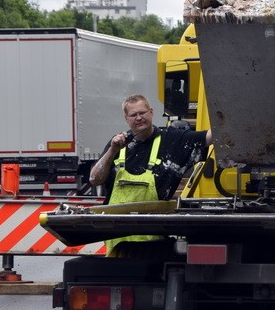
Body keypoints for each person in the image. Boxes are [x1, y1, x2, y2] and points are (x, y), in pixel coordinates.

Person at [88, 94, 213, 256]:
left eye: (143, 113)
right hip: (117, 244)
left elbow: (209, 137)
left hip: (153, 242)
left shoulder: (173, 140)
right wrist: (112, 150)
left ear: (151, 112)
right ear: (126, 119)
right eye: (134, 115)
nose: (139, 118)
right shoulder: (118, 145)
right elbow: (94, 179)